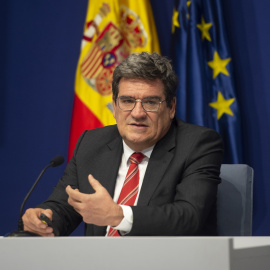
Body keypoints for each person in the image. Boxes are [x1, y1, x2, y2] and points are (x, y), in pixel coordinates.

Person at [22, 52, 223, 236]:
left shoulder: (197, 144)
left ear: (171, 107)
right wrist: (44, 218)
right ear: (115, 106)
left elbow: (189, 216)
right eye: (127, 101)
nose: (137, 113)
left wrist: (118, 215)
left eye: (151, 102)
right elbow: (65, 207)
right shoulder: (91, 143)